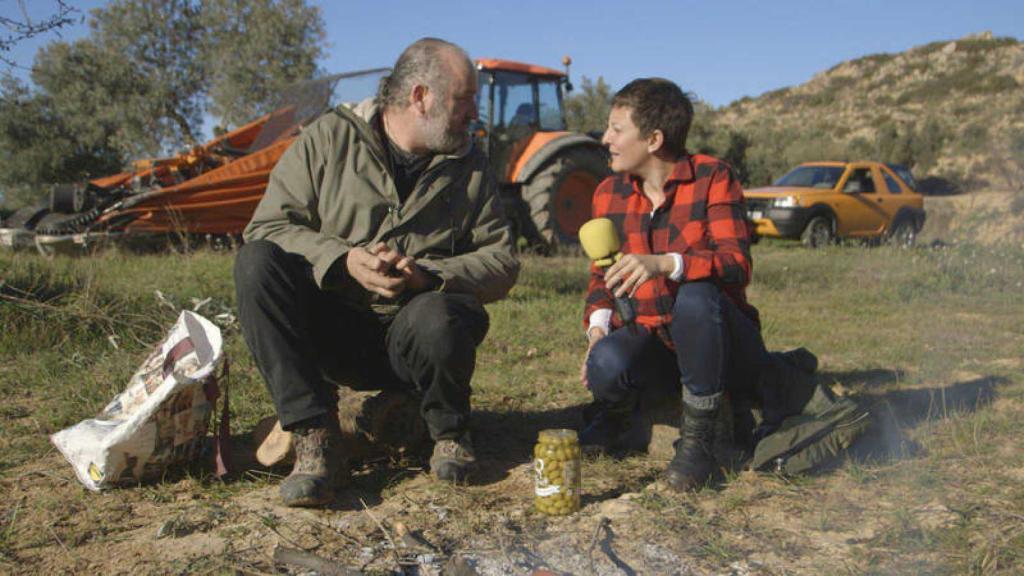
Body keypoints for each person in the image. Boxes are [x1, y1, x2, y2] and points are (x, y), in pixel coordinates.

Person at [234, 38, 519, 507]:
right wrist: (341, 260)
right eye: (464, 100)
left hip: (414, 336)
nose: (474, 114)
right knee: (256, 262)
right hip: (334, 328)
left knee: (438, 314)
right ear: (420, 96)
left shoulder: (470, 164)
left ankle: (448, 432)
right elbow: (266, 226)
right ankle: (314, 437)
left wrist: (426, 276)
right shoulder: (328, 138)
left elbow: (502, 260)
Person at [579, 78, 771, 492]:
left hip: (720, 345)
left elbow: (736, 266)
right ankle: (619, 415)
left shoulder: (713, 178)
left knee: (699, 295)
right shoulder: (607, 192)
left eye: (616, 129)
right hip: (654, 343)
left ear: (653, 139)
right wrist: (597, 328)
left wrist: (668, 264)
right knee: (605, 364)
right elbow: (602, 276)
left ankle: (700, 441)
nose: (605, 139)